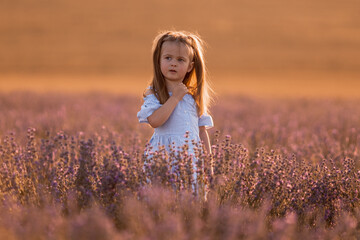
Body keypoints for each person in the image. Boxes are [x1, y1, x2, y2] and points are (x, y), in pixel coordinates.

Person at [137, 30, 214, 195]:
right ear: (159, 62)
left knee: (192, 201)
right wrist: (175, 98)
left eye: (180, 60)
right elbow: (155, 121)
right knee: (161, 200)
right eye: (168, 58)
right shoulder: (154, 93)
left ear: (189, 67)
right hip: (163, 159)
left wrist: (209, 164)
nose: (173, 63)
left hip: (192, 161)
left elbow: (202, 132)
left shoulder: (193, 98)